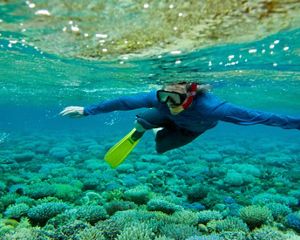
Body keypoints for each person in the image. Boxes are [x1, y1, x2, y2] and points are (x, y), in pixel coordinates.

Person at [60, 82, 300, 154]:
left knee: (161, 147)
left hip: (192, 128)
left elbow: (265, 117)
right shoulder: (160, 99)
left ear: (190, 96)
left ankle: (153, 130)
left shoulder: (214, 108)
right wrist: (86, 110)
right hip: (170, 119)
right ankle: (144, 124)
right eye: (164, 97)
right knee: (142, 118)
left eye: (174, 99)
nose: (169, 103)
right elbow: (121, 102)